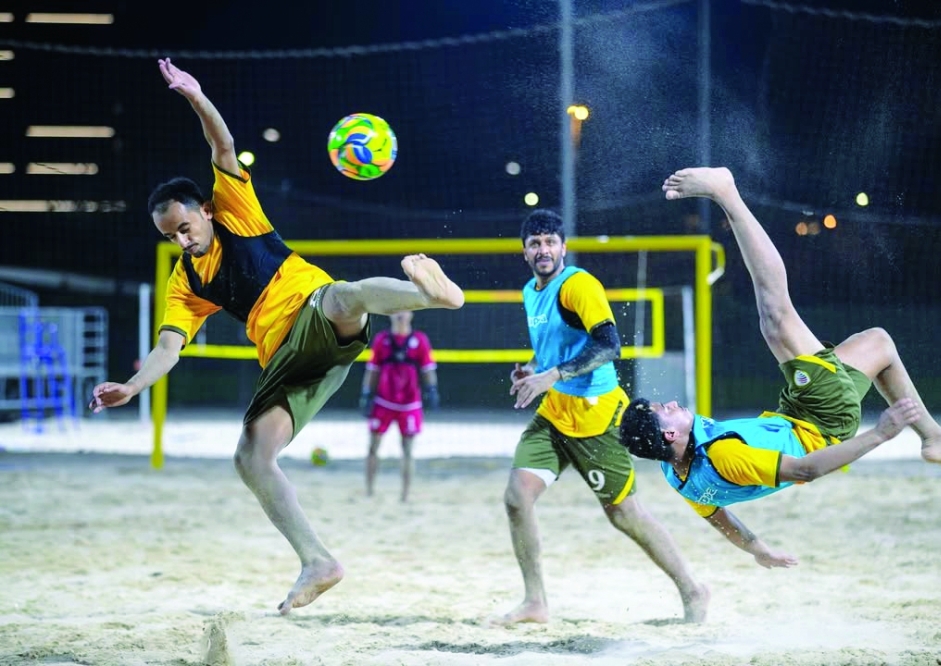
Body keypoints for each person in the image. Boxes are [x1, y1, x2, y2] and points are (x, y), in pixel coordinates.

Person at [88, 58, 465, 615]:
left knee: (345, 296)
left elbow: (221, 144)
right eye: (170, 236)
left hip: (313, 310)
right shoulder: (185, 281)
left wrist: (195, 96)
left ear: (206, 211)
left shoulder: (235, 211)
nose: (182, 240)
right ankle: (318, 561)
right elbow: (168, 348)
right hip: (288, 361)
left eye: (185, 227)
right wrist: (132, 386)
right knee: (250, 457)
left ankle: (431, 295)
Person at [620, 167, 941, 568]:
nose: (672, 403)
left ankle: (934, 437)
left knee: (878, 342)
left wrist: (758, 549)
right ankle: (726, 193)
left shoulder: (676, 474)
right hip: (821, 419)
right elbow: (806, 471)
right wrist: (881, 434)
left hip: (801, 415)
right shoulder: (723, 455)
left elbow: (718, 517)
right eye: (665, 409)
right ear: (669, 433)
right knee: (775, 316)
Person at [493, 209, 709, 626]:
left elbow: (609, 346)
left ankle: (693, 589)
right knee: (517, 498)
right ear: (524, 252)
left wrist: (552, 375)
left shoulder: (578, 285)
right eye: (535, 243)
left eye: (550, 242)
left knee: (624, 514)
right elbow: (551, 346)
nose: (543, 249)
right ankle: (535, 602)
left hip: (597, 416)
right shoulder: (530, 291)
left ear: (563, 247)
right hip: (556, 413)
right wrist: (531, 368)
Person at [358, 310, 439, 502]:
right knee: (373, 446)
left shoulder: (419, 340)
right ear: (390, 315)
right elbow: (372, 370)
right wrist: (366, 394)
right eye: (396, 310)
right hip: (384, 401)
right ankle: (369, 491)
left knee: (408, 450)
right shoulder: (382, 339)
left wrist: (432, 390)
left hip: (409, 404)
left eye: (404, 310)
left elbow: (428, 369)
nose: (400, 314)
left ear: (411, 314)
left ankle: (405, 495)